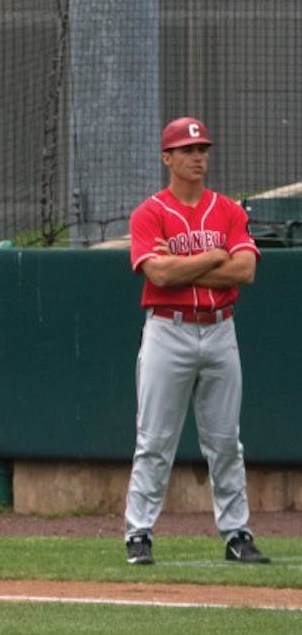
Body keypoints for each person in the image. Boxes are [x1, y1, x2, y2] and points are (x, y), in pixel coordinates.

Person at [123, 116, 268, 566]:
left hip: (221, 329)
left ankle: (237, 534)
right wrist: (211, 256)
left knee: (225, 441)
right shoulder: (149, 212)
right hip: (169, 329)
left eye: (202, 149)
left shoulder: (227, 209)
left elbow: (245, 270)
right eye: (187, 150)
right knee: (155, 440)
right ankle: (138, 534)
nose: (197, 157)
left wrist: (185, 263)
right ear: (167, 157)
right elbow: (159, 274)